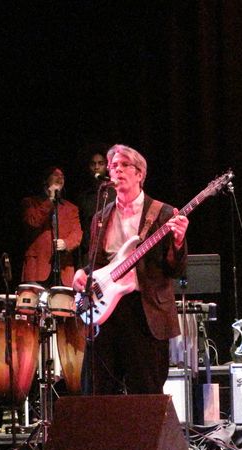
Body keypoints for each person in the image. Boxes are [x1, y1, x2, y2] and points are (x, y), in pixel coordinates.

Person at [72, 144, 188, 395]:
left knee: (146, 395)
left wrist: (178, 242)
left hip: (145, 311)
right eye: (114, 165)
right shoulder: (100, 217)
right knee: (96, 392)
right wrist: (82, 274)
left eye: (125, 165)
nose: (117, 170)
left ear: (140, 174)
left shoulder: (162, 213)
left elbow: (176, 270)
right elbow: (96, 264)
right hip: (108, 312)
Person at [21, 166, 83, 287]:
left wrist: (66, 243)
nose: (60, 178)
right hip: (37, 268)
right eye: (55, 175)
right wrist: (50, 200)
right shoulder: (30, 203)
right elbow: (33, 222)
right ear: (46, 180)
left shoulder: (71, 208)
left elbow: (77, 233)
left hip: (63, 269)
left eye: (62, 176)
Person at [73, 143, 114, 264]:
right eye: (93, 164)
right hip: (89, 251)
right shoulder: (83, 196)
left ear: (106, 166)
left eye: (100, 163)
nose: (96, 167)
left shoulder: (114, 192)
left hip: (110, 250)